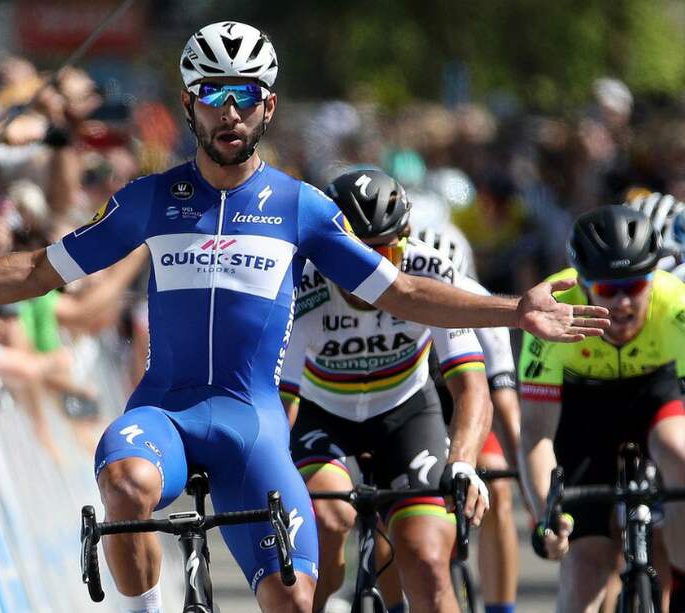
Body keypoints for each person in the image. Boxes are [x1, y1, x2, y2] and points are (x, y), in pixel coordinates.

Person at [0, 22, 608, 613]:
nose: (229, 112)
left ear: (267, 105)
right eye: (212, 96)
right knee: (127, 486)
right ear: (190, 106)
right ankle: (142, 594)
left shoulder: (303, 207)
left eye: (244, 96)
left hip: (253, 423)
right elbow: (38, 269)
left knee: (296, 599)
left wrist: (513, 309)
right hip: (164, 411)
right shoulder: (150, 200)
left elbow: (398, 293)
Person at [280, 167, 493, 613]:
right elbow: (282, 401)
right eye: (356, 255)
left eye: (387, 252)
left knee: (429, 561)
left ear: (408, 238)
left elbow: (471, 385)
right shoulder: (302, 282)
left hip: (406, 412)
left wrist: (464, 463)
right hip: (325, 414)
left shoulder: (431, 269)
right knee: (328, 519)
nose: (373, 268)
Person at [518, 205, 685, 613]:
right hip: (583, 416)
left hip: (653, 398)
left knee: (679, 454)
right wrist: (546, 514)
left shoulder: (677, 307)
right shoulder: (551, 311)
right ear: (583, 284)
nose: (624, 303)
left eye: (636, 286)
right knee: (583, 574)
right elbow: (537, 432)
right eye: (609, 291)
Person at [416, 224, 522, 613]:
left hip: (469, 406)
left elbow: (504, 406)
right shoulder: (393, 300)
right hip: (410, 410)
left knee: (498, 481)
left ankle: (501, 607)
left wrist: (525, 479)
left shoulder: (478, 302)